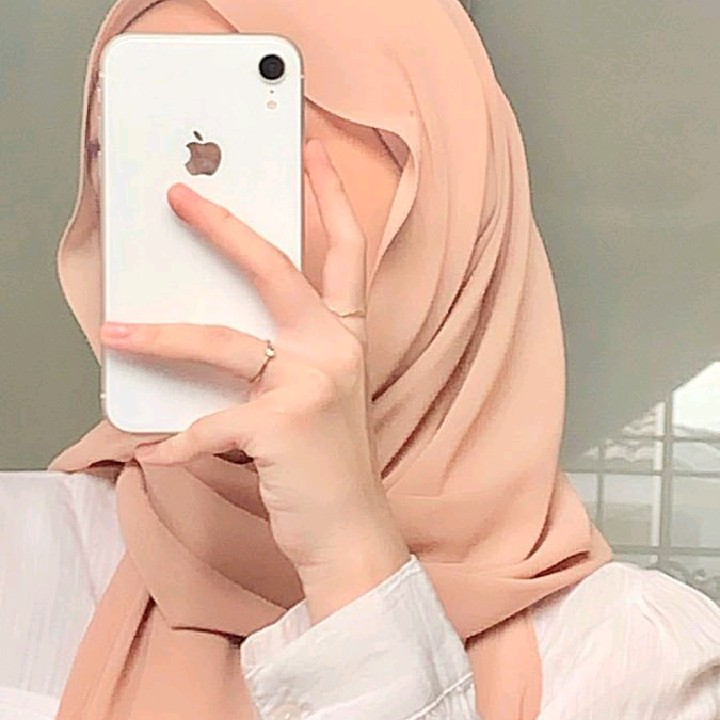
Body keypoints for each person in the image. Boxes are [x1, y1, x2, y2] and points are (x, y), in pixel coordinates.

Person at [2, 0, 720, 718]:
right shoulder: (21, 561)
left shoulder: (647, 666)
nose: (180, 204)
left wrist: (353, 564)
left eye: (245, 144)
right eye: (120, 149)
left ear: (446, 202)